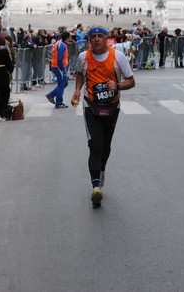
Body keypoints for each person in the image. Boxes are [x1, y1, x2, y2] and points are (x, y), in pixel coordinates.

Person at [70, 26, 135, 207]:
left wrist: (118, 86)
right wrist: (77, 91)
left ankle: (102, 168)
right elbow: (81, 75)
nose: (96, 39)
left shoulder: (118, 57)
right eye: (93, 37)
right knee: (95, 144)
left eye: (100, 36)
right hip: (90, 106)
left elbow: (131, 81)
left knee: (106, 146)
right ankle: (96, 187)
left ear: (106, 38)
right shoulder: (84, 57)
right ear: (89, 40)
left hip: (112, 106)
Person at [46, 31, 70, 108]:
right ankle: (59, 102)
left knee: (64, 83)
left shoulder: (59, 43)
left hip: (56, 66)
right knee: (62, 84)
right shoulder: (62, 45)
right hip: (59, 66)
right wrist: (62, 68)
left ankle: (51, 95)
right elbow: (60, 58)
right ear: (68, 38)